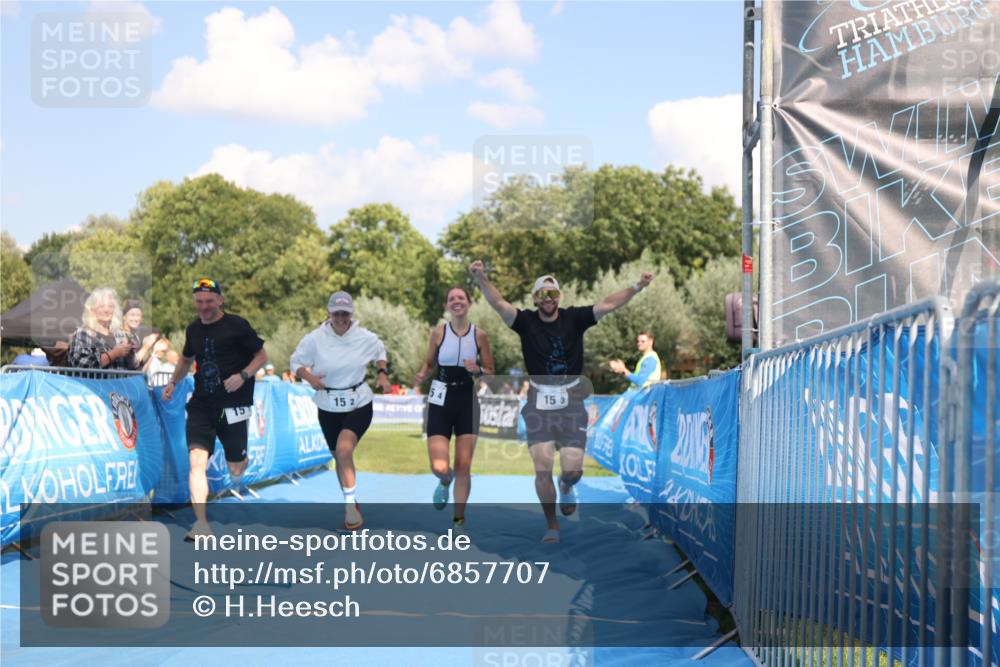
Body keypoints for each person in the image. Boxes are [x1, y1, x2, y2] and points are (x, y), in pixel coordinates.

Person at [471, 261, 653, 543]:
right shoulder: (525, 322)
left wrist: (636, 287)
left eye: (552, 293)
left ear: (559, 296)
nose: (548, 298)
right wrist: (481, 277)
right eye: (542, 294)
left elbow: (608, 304)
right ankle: (552, 526)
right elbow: (498, 303)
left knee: (573, 471)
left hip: (571, 402)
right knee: (542, 467)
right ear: (534, 298)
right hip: (539, 404)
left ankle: (566, 486)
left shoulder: (575, 318)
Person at [162, 278, 267, 542]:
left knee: (235, 469)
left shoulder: (237, 325)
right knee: (196, 461)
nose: (204, 306)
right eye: (199, 301)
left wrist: (243, 375)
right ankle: (201, 524)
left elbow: (262, 356)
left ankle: (241, 459)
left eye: (209, 301)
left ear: (220, 300)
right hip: (201, 405)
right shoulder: (193, 330)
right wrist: (173, 382)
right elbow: (186, 359)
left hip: (233, 405)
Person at [290, 291, 391, 530]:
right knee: (339, 457)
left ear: (351, 314)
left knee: (344, 451)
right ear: (329, 313)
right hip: (327, 404)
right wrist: (310, 377)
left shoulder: (364, 336)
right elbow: (295, 362)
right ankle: (351, 500)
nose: (341, 318)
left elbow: (380, 353)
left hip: (358, 402)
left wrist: (383, 374)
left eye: (345, 313)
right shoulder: (315, 338)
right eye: (337, 313)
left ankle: (348, 508)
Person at [413, 286, 494, 529]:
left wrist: (478, 369)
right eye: (451, 299)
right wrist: (421, 375)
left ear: (469, 303)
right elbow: (428, 365)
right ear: (447, 306)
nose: (456, 301)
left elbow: (490, 372)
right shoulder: (438, 333)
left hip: (466, 400)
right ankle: (444, 481)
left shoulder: (480, 335)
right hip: (440, 399)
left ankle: (458, 521)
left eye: (461, 298)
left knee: (464, 466)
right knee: (439, 467)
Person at [68, 287, 138, 370]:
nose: (106, 310)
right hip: (93, 383)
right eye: (102, 306)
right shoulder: (83, 333)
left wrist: (130, 355)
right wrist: (114, 354)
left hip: (120, 382)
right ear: (92, 309)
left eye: (110, 306)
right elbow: (81, 366)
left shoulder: (119, 334)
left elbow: (132, 368)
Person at [121, 300, 160, 370]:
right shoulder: (120, 335)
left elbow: (157, 331)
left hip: (138, 377)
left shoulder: (137, 334)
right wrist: (146, 346)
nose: (136, 319)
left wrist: (150, 338)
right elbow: (132, 364)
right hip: (125, 378)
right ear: (124, 317)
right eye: (132, 315)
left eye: (138, 315)